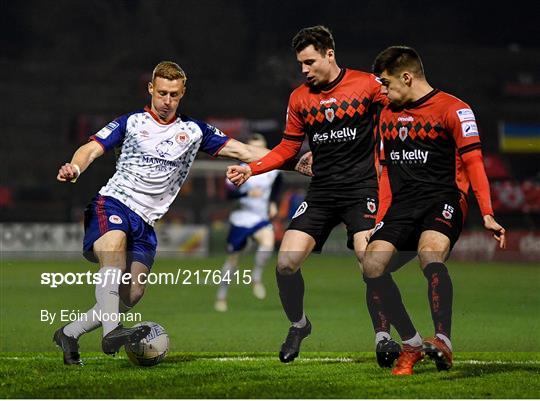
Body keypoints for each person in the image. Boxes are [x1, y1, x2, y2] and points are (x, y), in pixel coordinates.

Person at [54, 61, 295, 366]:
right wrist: (76, 167)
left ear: (182, 94)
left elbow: (245, 152)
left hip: (146, 222)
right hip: (113, 203)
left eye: (174, 95)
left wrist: (293, 161)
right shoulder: (131, 122)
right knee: (113, 246)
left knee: (132, 294)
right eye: (162, 93)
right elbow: (92, 148)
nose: (167, 101)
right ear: (151, 90)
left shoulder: (193, 131)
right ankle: (112, 332)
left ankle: (69, 334)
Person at [227, 26, 397, 364]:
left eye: (309, 62)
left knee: (370, 262)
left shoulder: (367, 85)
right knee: (286, 263)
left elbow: (403, 104)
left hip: (362, 189)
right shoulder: (299, 98)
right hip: (321, 192)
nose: (304, 70)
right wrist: (253, 168)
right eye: (300, 64)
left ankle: (383, 338)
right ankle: (299, 324)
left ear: (329, 54)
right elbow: (288, 147)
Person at [363, 46, 506, 375]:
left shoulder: (455, 110)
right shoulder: (387, 114)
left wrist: (486, 212)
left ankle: (443, 340)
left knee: (430, 255)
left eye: (386, 83)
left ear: (407, 77)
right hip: (403, 205)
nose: (382, 91)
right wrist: (379, 219)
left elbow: (474, 162)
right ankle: (411, 343)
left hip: (443, 198)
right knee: (371, 264)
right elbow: (384, 172)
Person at [215, 134, 282, 312]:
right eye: (253, 148)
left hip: (260, 219)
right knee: (233, 261)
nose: (257, 152)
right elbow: (228, 195)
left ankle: (256, 277)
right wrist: (246, 194)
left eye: (260, 148)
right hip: (241, 220)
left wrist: (274, 202)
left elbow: (277, 185)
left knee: (268, 243)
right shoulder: (239, 169)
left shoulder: (272, 170)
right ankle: (221, 296)